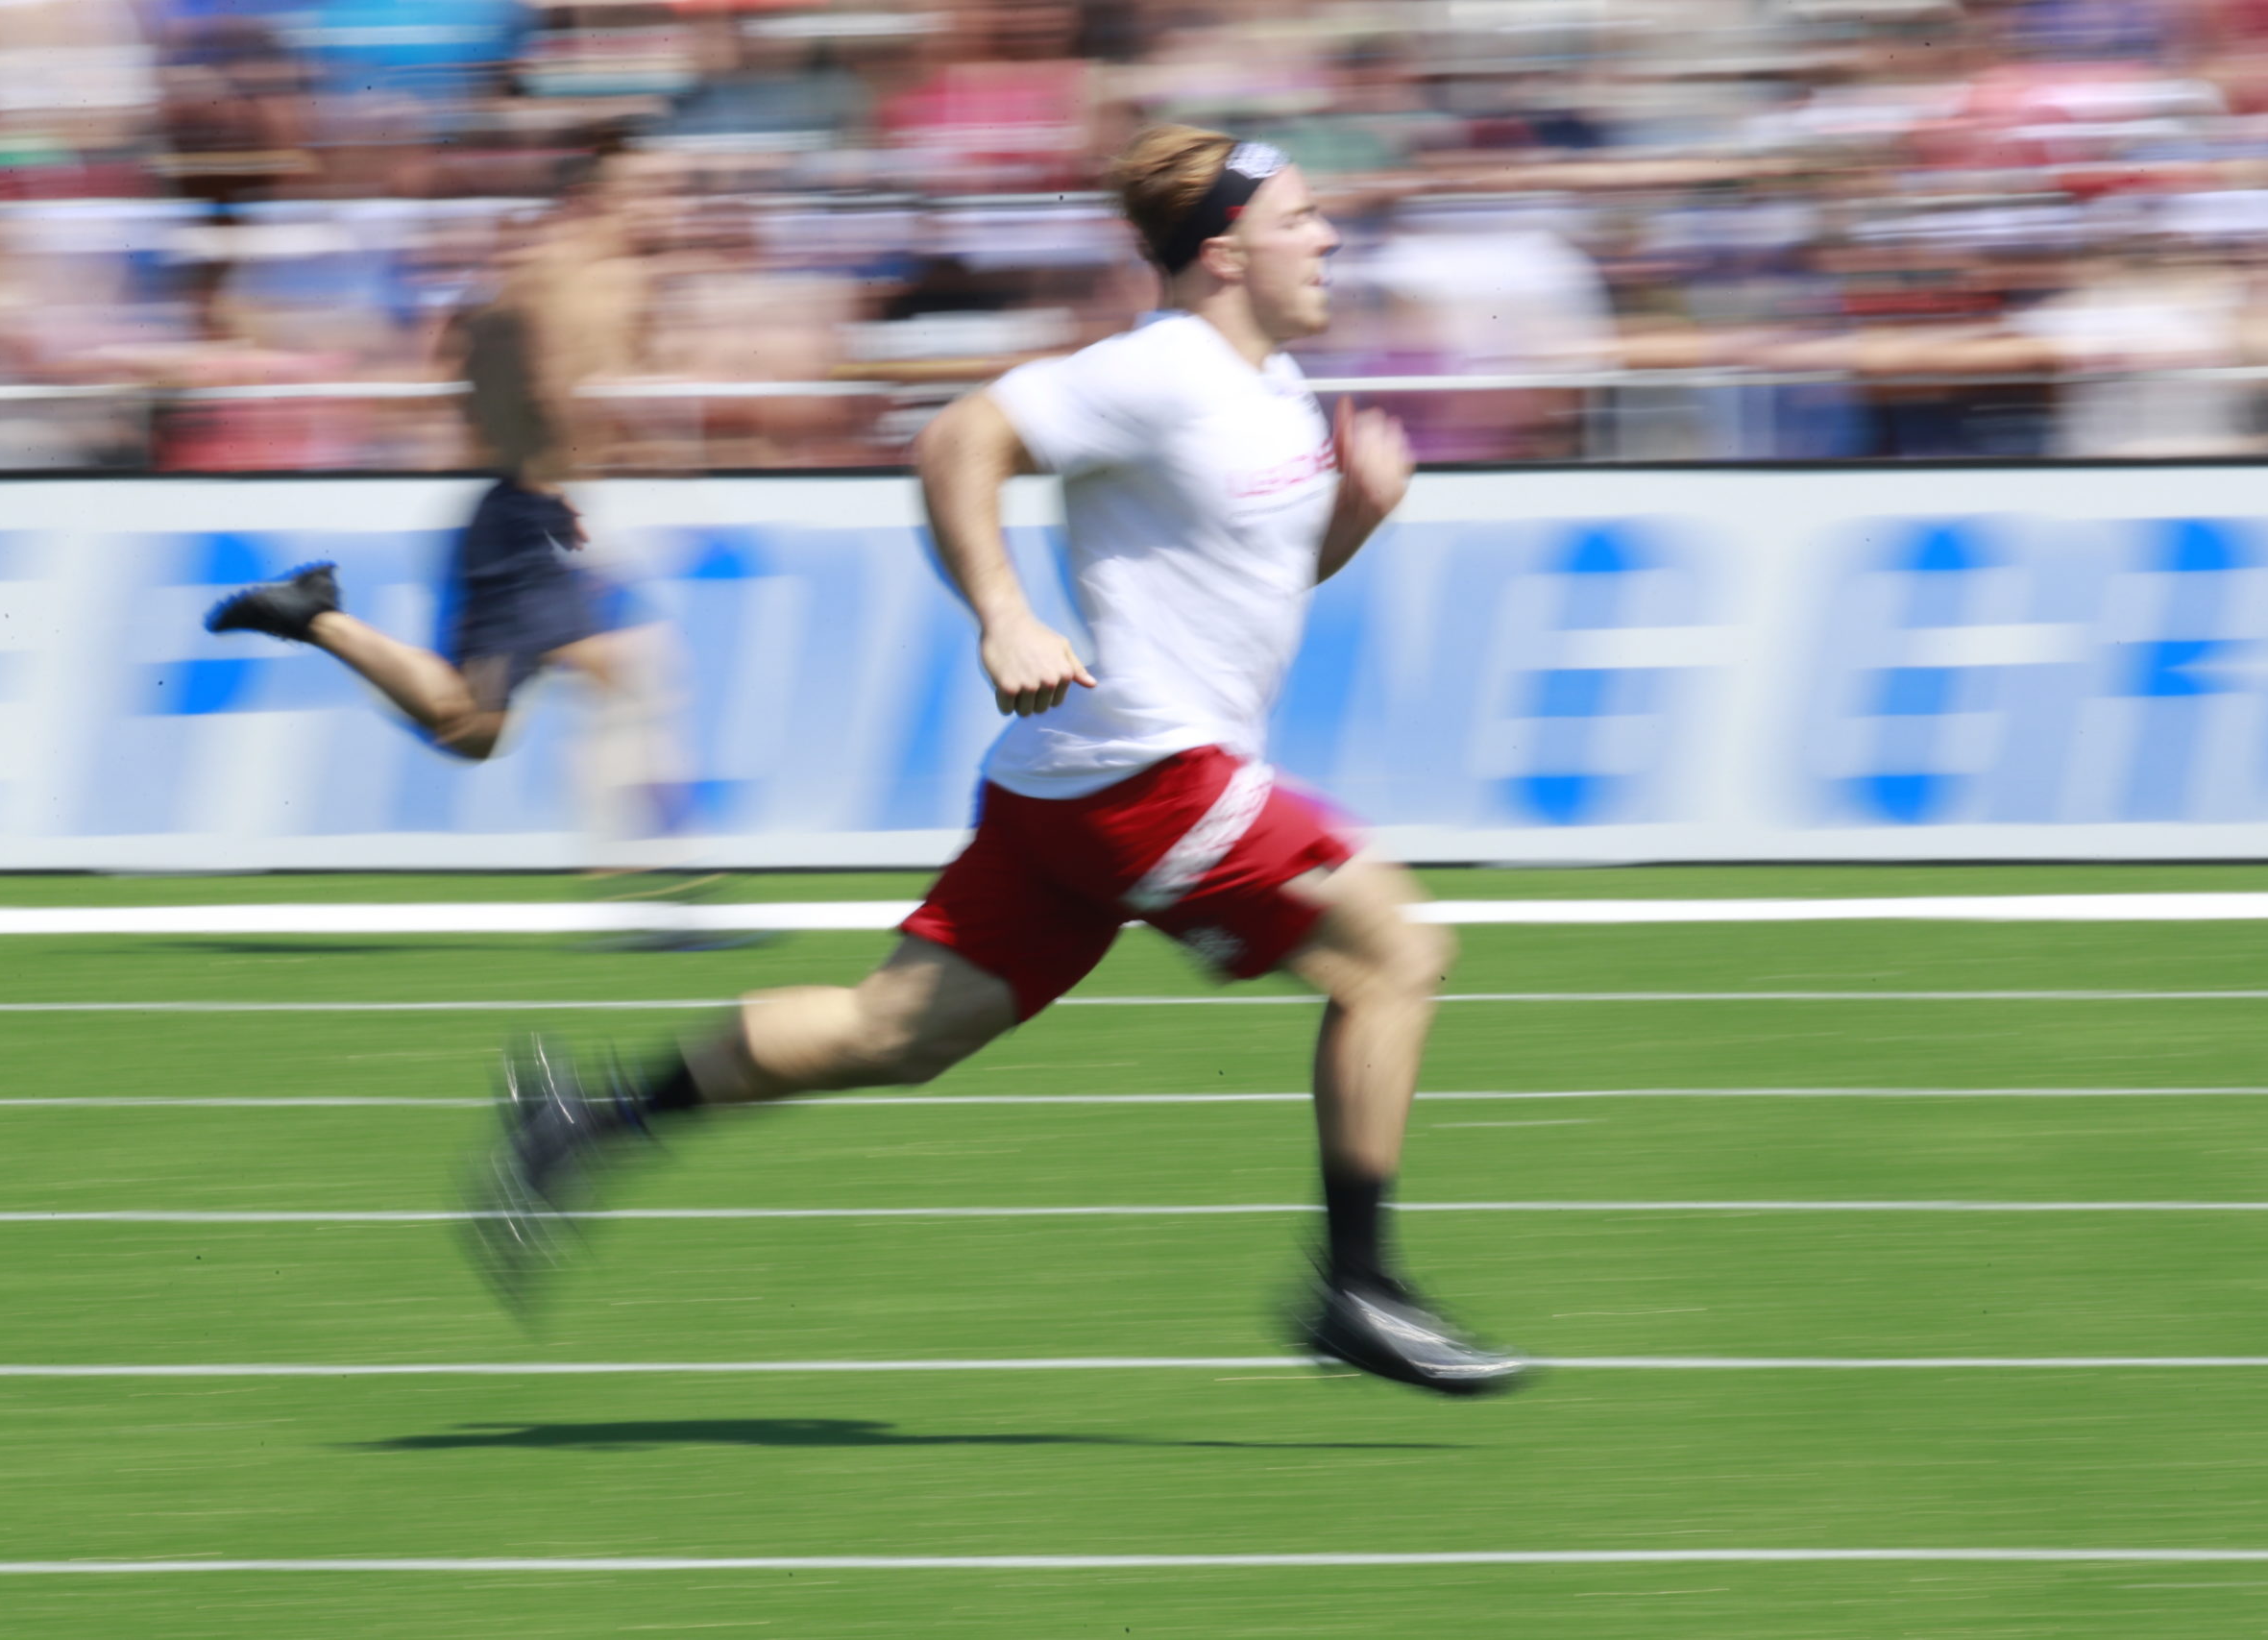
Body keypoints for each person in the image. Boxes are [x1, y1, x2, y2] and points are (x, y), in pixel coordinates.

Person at [476, 125, 1525, 1398]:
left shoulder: (1283, 396)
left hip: (1074, 781)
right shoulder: (1165, 368)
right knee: (1400, 950)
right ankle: (1355, 1287)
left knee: (891, 1032)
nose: (1329, 237)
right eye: (1301, 218)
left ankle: (586, 1116)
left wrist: (1352, 516)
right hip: (1151, 770)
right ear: (1223, 254)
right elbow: (956, 440)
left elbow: (1260, 581)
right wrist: (1005, 611)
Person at [199, 149, 682, 811]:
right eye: (653, 188)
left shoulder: (595, 279)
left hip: (524, 513)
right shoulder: (560, 275)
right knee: (625, 669)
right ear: (597, 194)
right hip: (525, 518)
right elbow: (504, 365)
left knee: (474, 728)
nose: (669, 206)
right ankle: (659, 888)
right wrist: (550, 442)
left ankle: (317, 617)